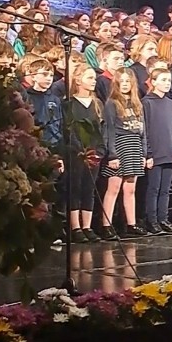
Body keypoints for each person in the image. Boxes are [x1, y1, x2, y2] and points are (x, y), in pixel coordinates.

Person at [100, 67, 147, 239]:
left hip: (134, 146)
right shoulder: (111, 103)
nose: (125, 85)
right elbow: (109, 130)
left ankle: (131, 224)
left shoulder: (137, 104)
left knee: (130, 188)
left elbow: (143, 131)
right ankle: (106, 225)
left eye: (128, 81)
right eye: (122, 82)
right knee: (113, 188)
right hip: (120, 146)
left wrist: (144, 153)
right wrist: (112, 154)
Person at [67, 63, 105, 243]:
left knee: (89, 189)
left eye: (94, 78)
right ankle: (75, 227)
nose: (93, 81)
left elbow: (102, 129)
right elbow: (69, 129)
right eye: (89, 78)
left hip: (94, 153)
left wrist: (99, 150)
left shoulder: (97, 104)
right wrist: (78, 150)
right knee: (76, 189)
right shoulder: (69, 103)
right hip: (76, 153)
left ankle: (87, 226)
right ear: (78, 79)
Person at [143, 68, 172, 235]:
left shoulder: (170, 103)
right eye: (163, 80)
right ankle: (151, 220)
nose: (167, 83)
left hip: (169, 151)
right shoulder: (147, 102)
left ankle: (163, 218)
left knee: (165, 189)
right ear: (153, 82)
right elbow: (145, 130)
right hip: (155, 152)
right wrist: (148, 154)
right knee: (153, 188)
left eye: (168, 80)